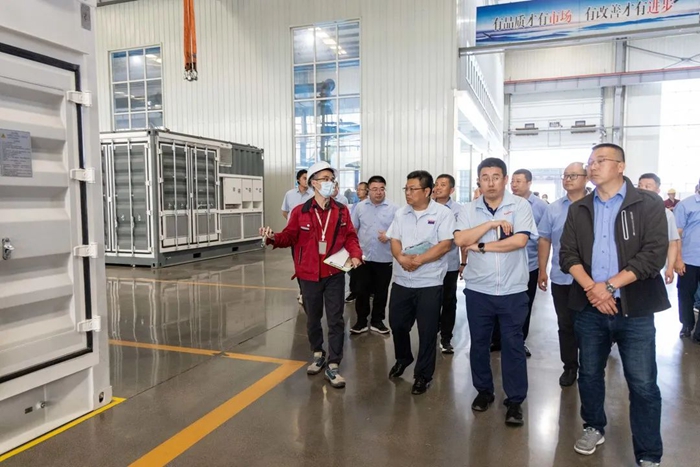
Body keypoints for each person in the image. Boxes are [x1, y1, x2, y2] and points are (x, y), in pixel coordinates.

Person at [560, 143, 668, 467]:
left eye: (600, 161)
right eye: (590, 161)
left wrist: (608, 286)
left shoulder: (647, 203)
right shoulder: (580, 208)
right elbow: (568, 255)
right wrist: (593, 289)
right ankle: (594, 427)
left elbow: (653, 255)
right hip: (590, 308)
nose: (592, 166)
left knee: (643, 384)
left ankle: (648, 453)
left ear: (620, 166)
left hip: (634, 309)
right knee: (590, 374)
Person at [260, 161, 363, 389]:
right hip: (308, 275)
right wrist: (272, 237)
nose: (330, 183)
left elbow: (350, 237)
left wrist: (356, 254)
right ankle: (318, 353)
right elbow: (289, 237)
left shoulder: (341, 210)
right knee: (313, 318)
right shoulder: (300, 211)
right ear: (313, 183)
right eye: (325, 179)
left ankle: (334, 364)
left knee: (335, 319)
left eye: (331, 179)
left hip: (334, 272)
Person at [454, 157, 537, 427]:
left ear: (505, 179)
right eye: (485, 177)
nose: (490, 182)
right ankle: (484, 391)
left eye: (496, 177)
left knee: (513, 346)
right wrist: (491, 225)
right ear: (479, 181)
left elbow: (519, 240)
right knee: (479, 344)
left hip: (513, 290)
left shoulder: (520, 205)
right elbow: (460, 239)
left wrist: (480, 246)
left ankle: (515, 401)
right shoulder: (468, 209)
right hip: (479, 290)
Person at [386, 170, 454, 395]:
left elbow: (445, 245)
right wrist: (401, 258)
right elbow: (394, 239)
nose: (408, 193)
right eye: (406, 189)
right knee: (397, 324)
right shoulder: (401, 213)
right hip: (401, 280)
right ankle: (403, 357)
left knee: (427, 331)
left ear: (427, 191)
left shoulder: (443, 214)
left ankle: (423, 375)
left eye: (412, 189)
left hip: (429, 282)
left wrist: (419, 261)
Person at [537, 163, 588, 387]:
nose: (567, 179)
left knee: (590, 326)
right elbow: (545, 239)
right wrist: (542, 270)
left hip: (592, 280)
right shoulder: (554, 209)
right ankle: (570, 366)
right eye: (565, 176)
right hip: (562, 277)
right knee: (566, 325)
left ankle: (590, 366)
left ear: (586, 178)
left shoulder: (596, 205)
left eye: (573, 175)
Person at [492, 168, 546, 357]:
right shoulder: (503, 202)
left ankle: (519, 341)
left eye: (519, 181)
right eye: (513, 181)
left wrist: (542, 269)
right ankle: (497, 339)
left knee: (523, 305)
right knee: (498, 303)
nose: (514, 185)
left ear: (529, 183)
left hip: (528, 265)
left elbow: (544, 240)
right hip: (502, 264)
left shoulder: (540, 207)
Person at [349, 176, 398, 335]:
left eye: (382, 189)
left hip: (384, 257)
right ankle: (361, 321)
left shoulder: (394, 208)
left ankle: (377, 321)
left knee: (381, 291)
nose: (378, 192)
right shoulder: (360, 207)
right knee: (361, 290)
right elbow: (353, 230)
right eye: (375, 189)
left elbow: (400, 231)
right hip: (362, 257)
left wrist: (389, 235)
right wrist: (352, 252)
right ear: (368, 191)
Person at [432, 174, 467, 354]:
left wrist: (464, 262)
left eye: (443, 185)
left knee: (448, 301)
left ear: (451, 190)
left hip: (449, 264)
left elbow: (463, 239)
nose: (438, 187)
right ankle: (431, 332)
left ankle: (446, 337)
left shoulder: (459, 210)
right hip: (428, 264)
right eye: (436, 184)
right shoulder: (426, 206)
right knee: (430, 301)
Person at [637, 173, 680, 286]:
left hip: (652, 268)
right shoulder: (629, 211)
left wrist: (669, 268)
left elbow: (672, 243)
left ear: (657, 190)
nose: (642, 189)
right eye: (640, 186)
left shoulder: (666, 214)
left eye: (648, 186)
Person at [281, 169, 313, 305]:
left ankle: (309, 291)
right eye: (305, 178)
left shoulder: (313, 194)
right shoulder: (289, 194)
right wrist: (293, 224)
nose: (307, 180)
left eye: (308, 178)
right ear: (298, 180)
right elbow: (285, 211)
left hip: (310, 235)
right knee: (298, 262)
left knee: (309, 263)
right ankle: (302, 291)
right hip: (295, 236)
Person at [674, 178, 700, 342]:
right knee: (685, 294)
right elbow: (676, 234)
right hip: (689, 259)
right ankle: (687, 324)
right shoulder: (685, 205)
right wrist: (678, 259)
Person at [346, 182, 370, 303]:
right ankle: (354, 291)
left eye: (361, 189)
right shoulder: (355, 205)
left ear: (367, 191)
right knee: (353, 269)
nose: (358, 191)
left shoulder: (369, 206)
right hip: (355, 241)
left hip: (365, 242)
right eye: (357, 189)